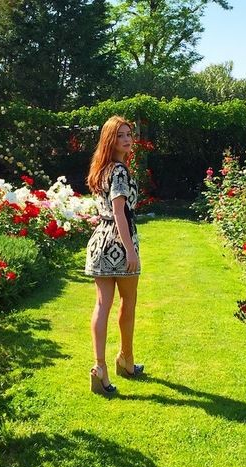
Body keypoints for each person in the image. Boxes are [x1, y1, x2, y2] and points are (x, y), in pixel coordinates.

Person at [84, 115, 145, 396]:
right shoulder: (119, 170)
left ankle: (100, 368)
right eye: (120, 135)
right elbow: (120, 211)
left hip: (99, 241)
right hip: (119, 242)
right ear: (110, 139)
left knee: (102, 305)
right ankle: (126, 360)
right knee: (128, 303)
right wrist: (130, 250)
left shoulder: (102, 169)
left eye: (128, 134)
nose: (127, 139)